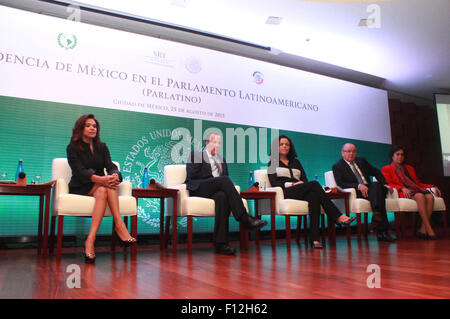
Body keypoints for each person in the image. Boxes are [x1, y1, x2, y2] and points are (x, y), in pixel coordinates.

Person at [67, 114, 136, 263]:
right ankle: (120, 226)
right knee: (106, 185)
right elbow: (80, 172)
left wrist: (115, 175)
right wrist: (102, 179)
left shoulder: (102, 146)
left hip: (100, 186)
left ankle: (90, 240)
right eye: (88, 125)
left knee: (106, 187)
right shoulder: (72, 147)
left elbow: (111, 166)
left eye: (95, 126)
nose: (92, 128)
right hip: (81, 185)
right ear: (80, 128)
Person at [185, 132, 268, 255]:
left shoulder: (221, 160)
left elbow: (225, 182)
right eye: (214, 142)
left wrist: (219, 183)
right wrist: (215, 180)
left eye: (219, 143)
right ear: (207, 143)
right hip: (198, 188)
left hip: (215, 191)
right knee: (224, 180)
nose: (217, 145)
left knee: (222, 197)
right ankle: (245, 219)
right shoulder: (196, 155)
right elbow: (192, 174)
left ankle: (221, 244)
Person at [267, 135, 355, 249]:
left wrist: (301, 184)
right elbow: (274, 183)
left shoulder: (296, 162)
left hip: (300, 190)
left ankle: (315, 239)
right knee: (314, 184)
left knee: (314, 196)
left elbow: (304, 180)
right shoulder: (272, 163)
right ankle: (337, 216)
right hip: (285, 191)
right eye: (281, 144)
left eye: (287, 144)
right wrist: (292, 184)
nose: (285, 146)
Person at [332, 143, 396, 242]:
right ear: (342, 153)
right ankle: (382, 230)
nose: (351, 154)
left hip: (372, 189)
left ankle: (377, 215)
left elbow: (376, 171)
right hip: (358, 192)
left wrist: (384, 184)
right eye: (348, 151)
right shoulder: (337, 166)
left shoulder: (361, 161)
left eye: (354, 151)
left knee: (376, 186)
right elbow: (341, 183)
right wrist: (358, 185)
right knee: (378, 196)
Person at [382, 146, 441, 240]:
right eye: (397, 154)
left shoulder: (409, 168)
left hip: (415, 190)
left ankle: (423, 229)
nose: (400, 156)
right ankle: (429, 229)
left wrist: (432, 186)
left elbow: (417, 183)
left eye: (402, 154)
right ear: (392, 156)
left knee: (430, 197)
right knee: (420, 195)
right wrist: (401, 188)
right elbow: (388, 183)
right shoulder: (387, 168)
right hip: (403, 193)